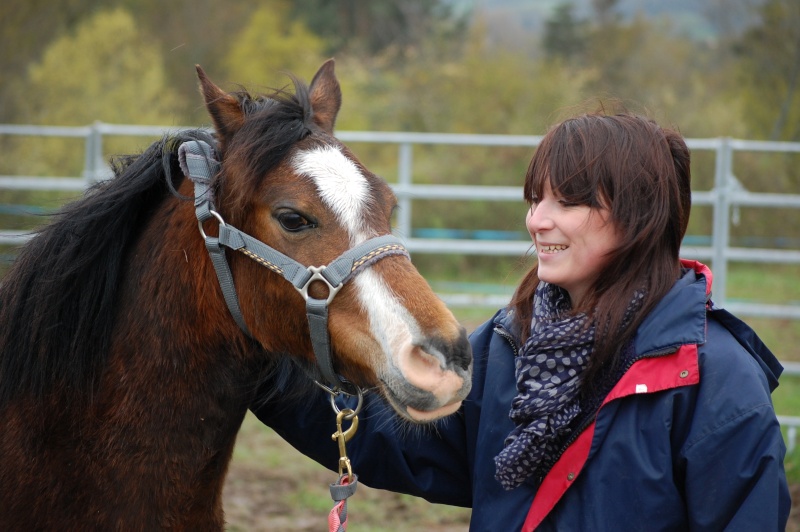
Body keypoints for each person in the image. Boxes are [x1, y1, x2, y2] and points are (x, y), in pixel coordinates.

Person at [253, 111, 790, 530]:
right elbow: (409, 443)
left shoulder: (713, 379)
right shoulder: (514, 343)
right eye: (535, 198)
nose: (538, 220)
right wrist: (250, 359)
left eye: (568, 201)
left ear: (640, 215)